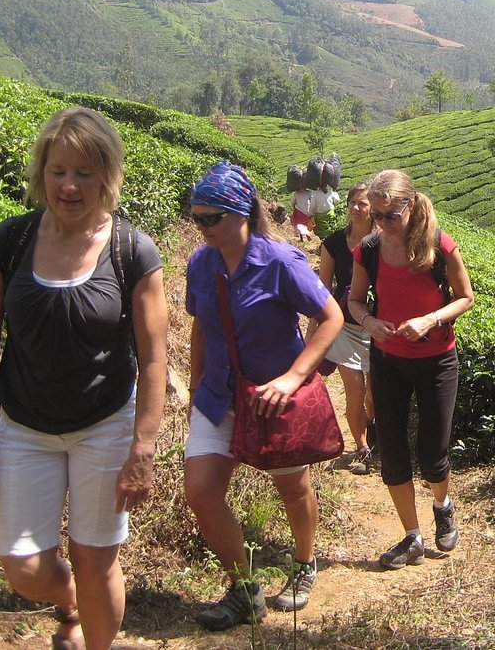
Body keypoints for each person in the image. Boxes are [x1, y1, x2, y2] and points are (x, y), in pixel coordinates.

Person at [0, 107, 169, 650]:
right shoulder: (11, 241)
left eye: (84, 172)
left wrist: (143, 444)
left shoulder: (131, 250)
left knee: (96, 562)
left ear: (107, 175)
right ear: (41, 174)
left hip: (104, 426)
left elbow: (154, 355)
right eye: (58, 171)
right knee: (22, 566)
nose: (69, 185)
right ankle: (68, 602)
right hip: (25, 426)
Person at [183, 160, 344, 630]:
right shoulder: (200, 263)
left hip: (274, 398)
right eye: (197, 218)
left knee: (291, 487)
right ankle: (244, 589)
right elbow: (201, 329)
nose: (203, 227)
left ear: (241, 212)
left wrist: (294, 377)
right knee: (201, 492)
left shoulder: (280, 261)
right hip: (219, 395)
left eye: (212, 217)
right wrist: (195, 387)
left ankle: (304, 563)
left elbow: (330, 317)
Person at [346, 169, 474, 570]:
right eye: (376, 216)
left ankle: (443, 504)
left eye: (389, 215)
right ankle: (412, 536)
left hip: (437, 361)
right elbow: (354, 300)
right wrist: (369, 323)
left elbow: (466, 298)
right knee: (394, 453)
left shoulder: (439, 245)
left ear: (411, 206)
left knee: (433, 452)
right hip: (388, 361)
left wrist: (431, 320)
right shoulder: (367, 249)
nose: (382, 224)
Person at [308, 181, 376, 475]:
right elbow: (322, 290)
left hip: (377, 325)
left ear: (373, 208)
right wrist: (313, 331)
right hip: (345, 325)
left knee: (374, 394)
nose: (356, 208)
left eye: (362, 203)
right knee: (354, 390)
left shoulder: (383, 240)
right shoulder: (333, 243)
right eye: (352, 202)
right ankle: (361, 446)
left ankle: (374, 435)